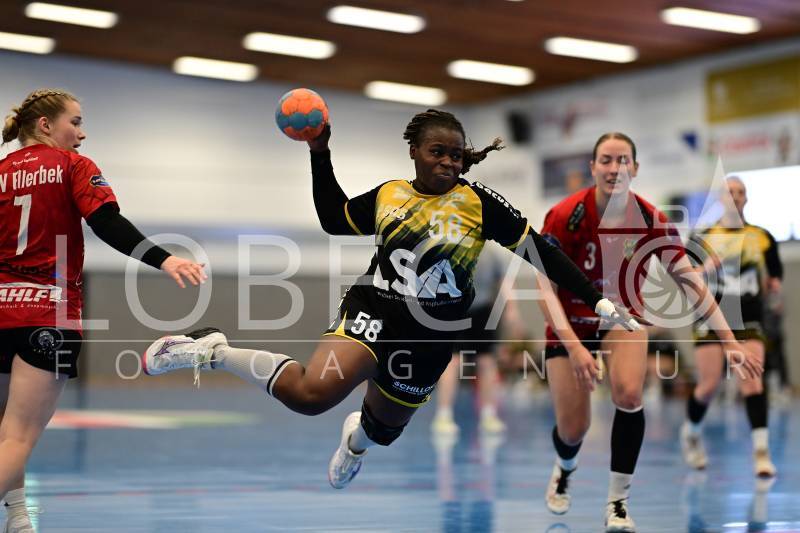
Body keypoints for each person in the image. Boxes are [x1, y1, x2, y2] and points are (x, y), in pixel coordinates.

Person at [141, 109, 636, 492]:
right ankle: (213, 350)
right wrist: (319, 152)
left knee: (383, 430)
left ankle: (356, 443)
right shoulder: (390, 195)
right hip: (376, 308)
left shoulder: (479, 203)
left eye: (456, 155)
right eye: (437, 152)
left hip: (434, 334)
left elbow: (542, 252)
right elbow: (334, 219)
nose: (448, 162)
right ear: (414, 152)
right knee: (313, 395)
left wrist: (596, 301)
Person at [0, 89, 206, 533]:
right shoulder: (74, 166)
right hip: (48, 314)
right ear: (45, 125)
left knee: (6, 431)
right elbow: (107, 222)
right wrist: (164, 259)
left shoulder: (1, 172)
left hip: (1, 309)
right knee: (18, 435)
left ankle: (18, 517)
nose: (82, 133)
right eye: (75, 122)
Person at [536, 133, 762, 532]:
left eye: (623, 160)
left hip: (621, 319)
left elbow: (692, 283)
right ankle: (565, 465)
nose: (615, 168)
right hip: (569, 324)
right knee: (574, 429)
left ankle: (618, 502)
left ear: (636, 168)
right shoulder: (564, 215)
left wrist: (729, 341)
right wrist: (574, 348)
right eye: (606, 160)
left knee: (629, 394)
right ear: (593, 167)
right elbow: (544, 291)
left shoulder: (652, 220)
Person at [680, 176, 783, 477]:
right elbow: (684, 277)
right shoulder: (702, 237)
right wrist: (705, 268)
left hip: (748, 317)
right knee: (709, 385)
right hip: (711, 317)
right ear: (720, 199)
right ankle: (692, 433)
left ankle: (761, 453)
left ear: (746, 199)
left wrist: (774, 285)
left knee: (752, 381)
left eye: (740, 192)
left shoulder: (761, 237)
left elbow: (774, 275)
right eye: (730, 192)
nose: (735, 196)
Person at [431, 245, 525, 435]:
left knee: (486, 361)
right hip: (453, 308)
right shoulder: (450, 246)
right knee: (452, 360)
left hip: (482, 310)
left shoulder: (493, 252)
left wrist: (512, 310)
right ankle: (443, 414)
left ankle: (488, 414)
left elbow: (504, 282)